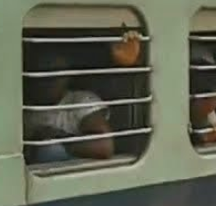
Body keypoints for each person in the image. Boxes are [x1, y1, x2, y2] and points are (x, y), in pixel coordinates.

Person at [23, 30, 141, 163]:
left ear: (67, 77)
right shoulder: (23, 105)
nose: (48, 80)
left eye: (55, 72)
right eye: (42, 72)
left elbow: (104, 146)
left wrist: (56, 138)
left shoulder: (81, 101)